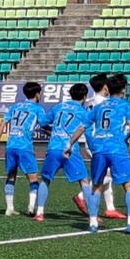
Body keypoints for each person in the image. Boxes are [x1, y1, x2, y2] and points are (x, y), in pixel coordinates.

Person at [64, 73, 130, 234]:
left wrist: (70, 144)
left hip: (98, 149)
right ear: (123, 89)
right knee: (129, 185)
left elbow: (82, 127)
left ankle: (93, 223)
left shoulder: (99, 107)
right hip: (117, 149)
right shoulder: (126, 105)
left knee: (96, 186)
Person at [71, 73, 127, 220]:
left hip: (93, 140)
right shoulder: (105, 102)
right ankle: (81, 196)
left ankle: (110, 208)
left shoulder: (91, 101)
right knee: (107, 174)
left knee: (107, 173)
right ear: (105, 87)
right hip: (100, 142)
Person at [34, 83, 93, 222]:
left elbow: (42, 122)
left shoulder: (58, 107)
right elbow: (88, 133)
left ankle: (40, 213)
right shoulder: (83, 112)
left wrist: (51, 131)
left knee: (45, 179)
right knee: (84, 180)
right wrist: (93, 149)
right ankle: (92, 214)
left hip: (54, 148)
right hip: (71, 150)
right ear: (84, 97)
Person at [0, 82, 45, 216]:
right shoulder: (38, 108)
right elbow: (44, 124)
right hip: (24, 147)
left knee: (11, 176)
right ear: (37, 94)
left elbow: (3, 122)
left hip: (11, 146)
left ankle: (9, 208)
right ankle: (31, 207)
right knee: (33, 178)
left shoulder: (15, 107)